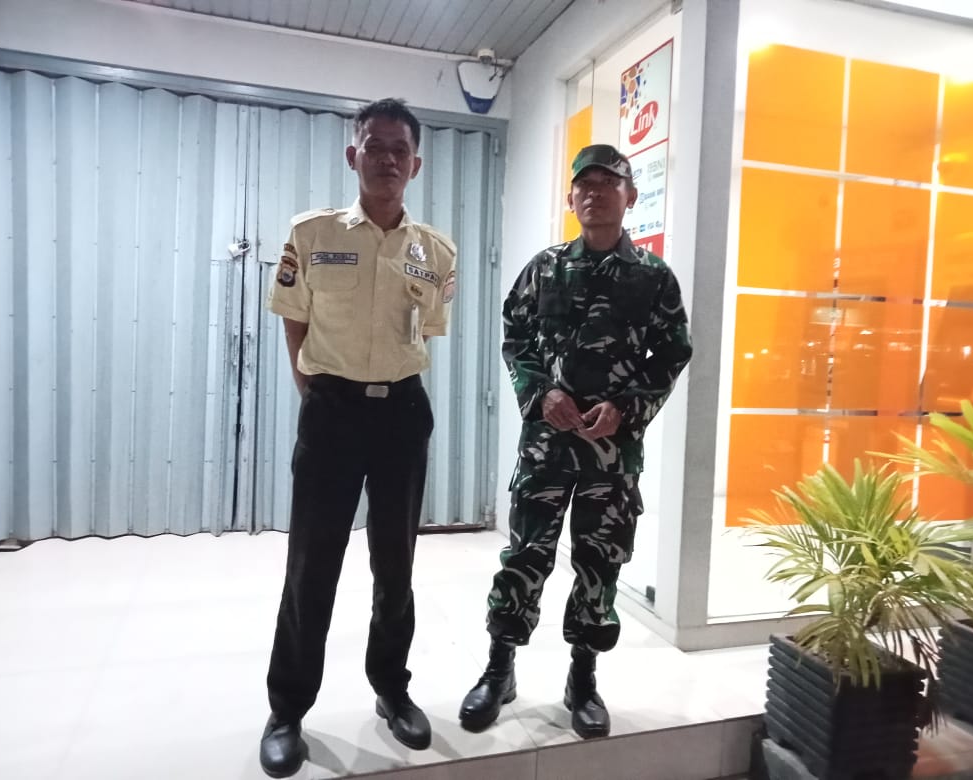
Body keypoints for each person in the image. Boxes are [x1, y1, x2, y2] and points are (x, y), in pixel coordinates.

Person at [458, 144, 692, 739]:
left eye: (608, 183)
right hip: (546, 445)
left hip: (611, 454)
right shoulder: (544, 268)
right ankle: (499, 669)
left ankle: (582, 679)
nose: (595, 193)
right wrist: (541, 394)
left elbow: (673, 351)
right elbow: (516, 337)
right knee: (525, 555)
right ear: (571, 199)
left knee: (600, 561)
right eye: (584, 185)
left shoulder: (653, 278)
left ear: (630, 196)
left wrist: (626, 407)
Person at [259, 98, 457, 778]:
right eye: (375, 146)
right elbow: (294, 322)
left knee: (395, 563)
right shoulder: (311, 233)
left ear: (416, 164)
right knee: (312, 565)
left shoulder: (437, 251)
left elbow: (426, 331)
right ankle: (287, 709)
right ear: (354, 155)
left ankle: (392, 688)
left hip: (402, 413)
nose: (388, 159)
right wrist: (316, 396)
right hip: (333, 411)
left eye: (400, 149)